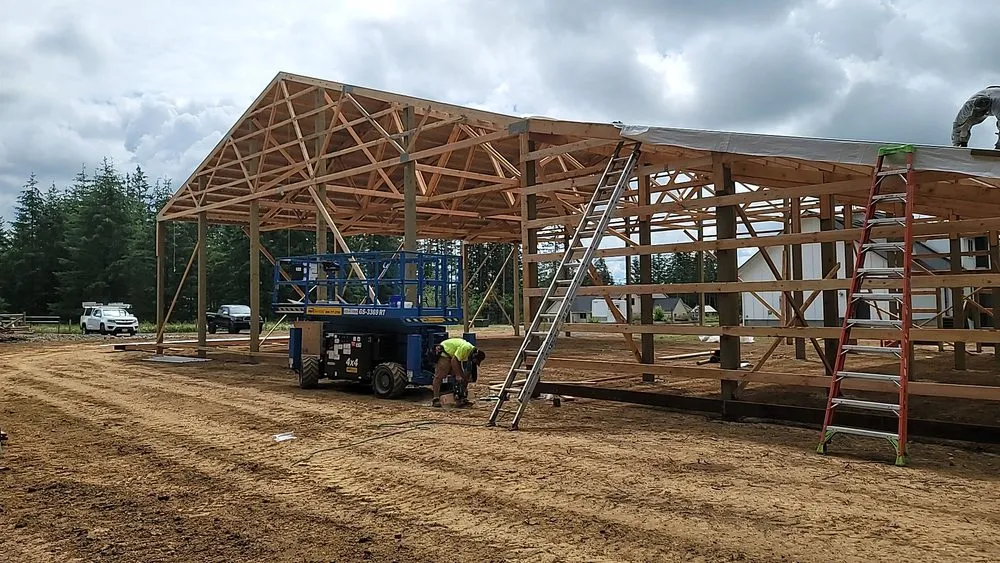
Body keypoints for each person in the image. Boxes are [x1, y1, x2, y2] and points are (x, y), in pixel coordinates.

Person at [431, 337, 486, 408]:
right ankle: (436, 399)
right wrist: (457, 375)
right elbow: (454, 360)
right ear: (474, 356)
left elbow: (459, 362)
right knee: (440, 376)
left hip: (453, 355)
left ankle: (459, 397)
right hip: (445, 352)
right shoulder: (466, 348)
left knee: (461, 377)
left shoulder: (470, 352)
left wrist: (464, 380)